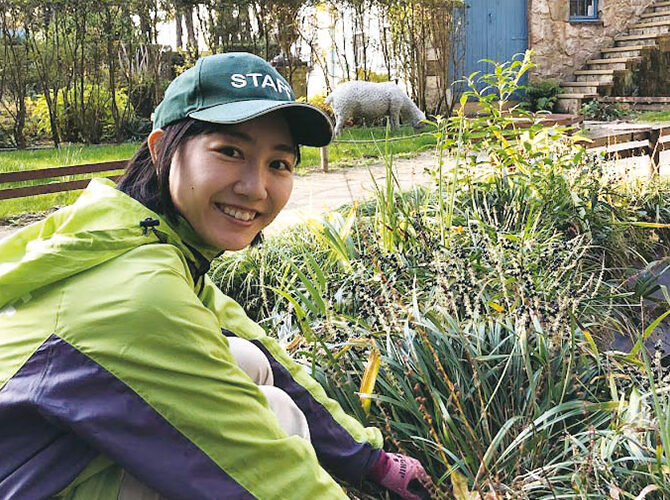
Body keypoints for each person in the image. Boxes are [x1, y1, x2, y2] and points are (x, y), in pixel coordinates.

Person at [0, 52, 430, 500]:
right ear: (161, 148)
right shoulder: (141, 292)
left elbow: (269, 356)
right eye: (230, 152)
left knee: (250, 362)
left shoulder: (136, 233)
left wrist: (368, 460)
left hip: (46, 451)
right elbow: (265, 473)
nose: (255, 187)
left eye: (278, 164)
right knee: (274, 420)